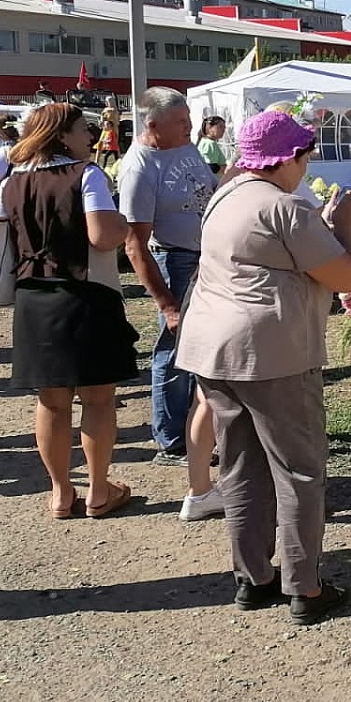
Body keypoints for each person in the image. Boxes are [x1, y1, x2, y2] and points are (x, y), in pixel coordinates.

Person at [177, 110, 351, 624]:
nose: (307, 166)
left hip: (212, 347)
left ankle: (253, 577)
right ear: (285, 159)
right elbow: (345, 275)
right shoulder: (285, 208)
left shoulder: (228, 193)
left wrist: (330, 222)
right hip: (270, 352)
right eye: (304, 156)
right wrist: (346, 224)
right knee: (299, 470)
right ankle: (304, 587)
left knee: (241, 464)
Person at [0, 103, 137, 518]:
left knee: (51, 402)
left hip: (33, 299)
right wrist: (124, 226)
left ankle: (60, 492)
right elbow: (102, 235)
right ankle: (99, 491)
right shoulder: (87, 175)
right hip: (85, 295)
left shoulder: (12, 179)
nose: (91, 136)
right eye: (84, 129)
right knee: (98, 399)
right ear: (62, 135)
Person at [117, 88, 217, 467]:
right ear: (152, 124)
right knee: (174, 352)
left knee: (202, 349)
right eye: (181, 122)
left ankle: (198, 428)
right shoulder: (140, 168)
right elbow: (135, 245)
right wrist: (167, 304)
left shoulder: (185, 148)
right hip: (174, 261)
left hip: (203, 259)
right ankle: (171, 440)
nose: (190, 126)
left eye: (188, 119)